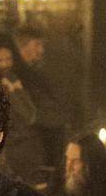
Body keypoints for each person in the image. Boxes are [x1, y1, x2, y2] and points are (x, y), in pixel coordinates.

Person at [14, 26, 71, 167]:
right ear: (22, 46)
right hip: (36, 145)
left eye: (42, 45)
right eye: (37, 45)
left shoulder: (37, 73)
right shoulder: (18, 78)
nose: (41, 50)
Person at [0, 34, 45, 181]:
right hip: (9, 150)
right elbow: (26, 115)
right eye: (0, 61)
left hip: (27, 146)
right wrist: (12, 91)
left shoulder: (15, 80)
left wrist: (16, 90)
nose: (5, 65)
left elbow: (31, 114)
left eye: (8, 59)